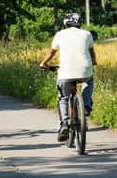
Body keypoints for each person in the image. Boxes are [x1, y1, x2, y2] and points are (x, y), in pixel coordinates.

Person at [39, 12, 96, 142]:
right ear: (80, 24)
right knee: (89, 80)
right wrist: (93, 63)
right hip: (85, 70)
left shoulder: (60, 34)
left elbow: (51, 51)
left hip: (66, 73)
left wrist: (43, 63)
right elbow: (92, 52)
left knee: (63, 98)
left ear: (65, 24)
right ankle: (86, 105)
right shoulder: (87, 34)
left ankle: (64, 124)